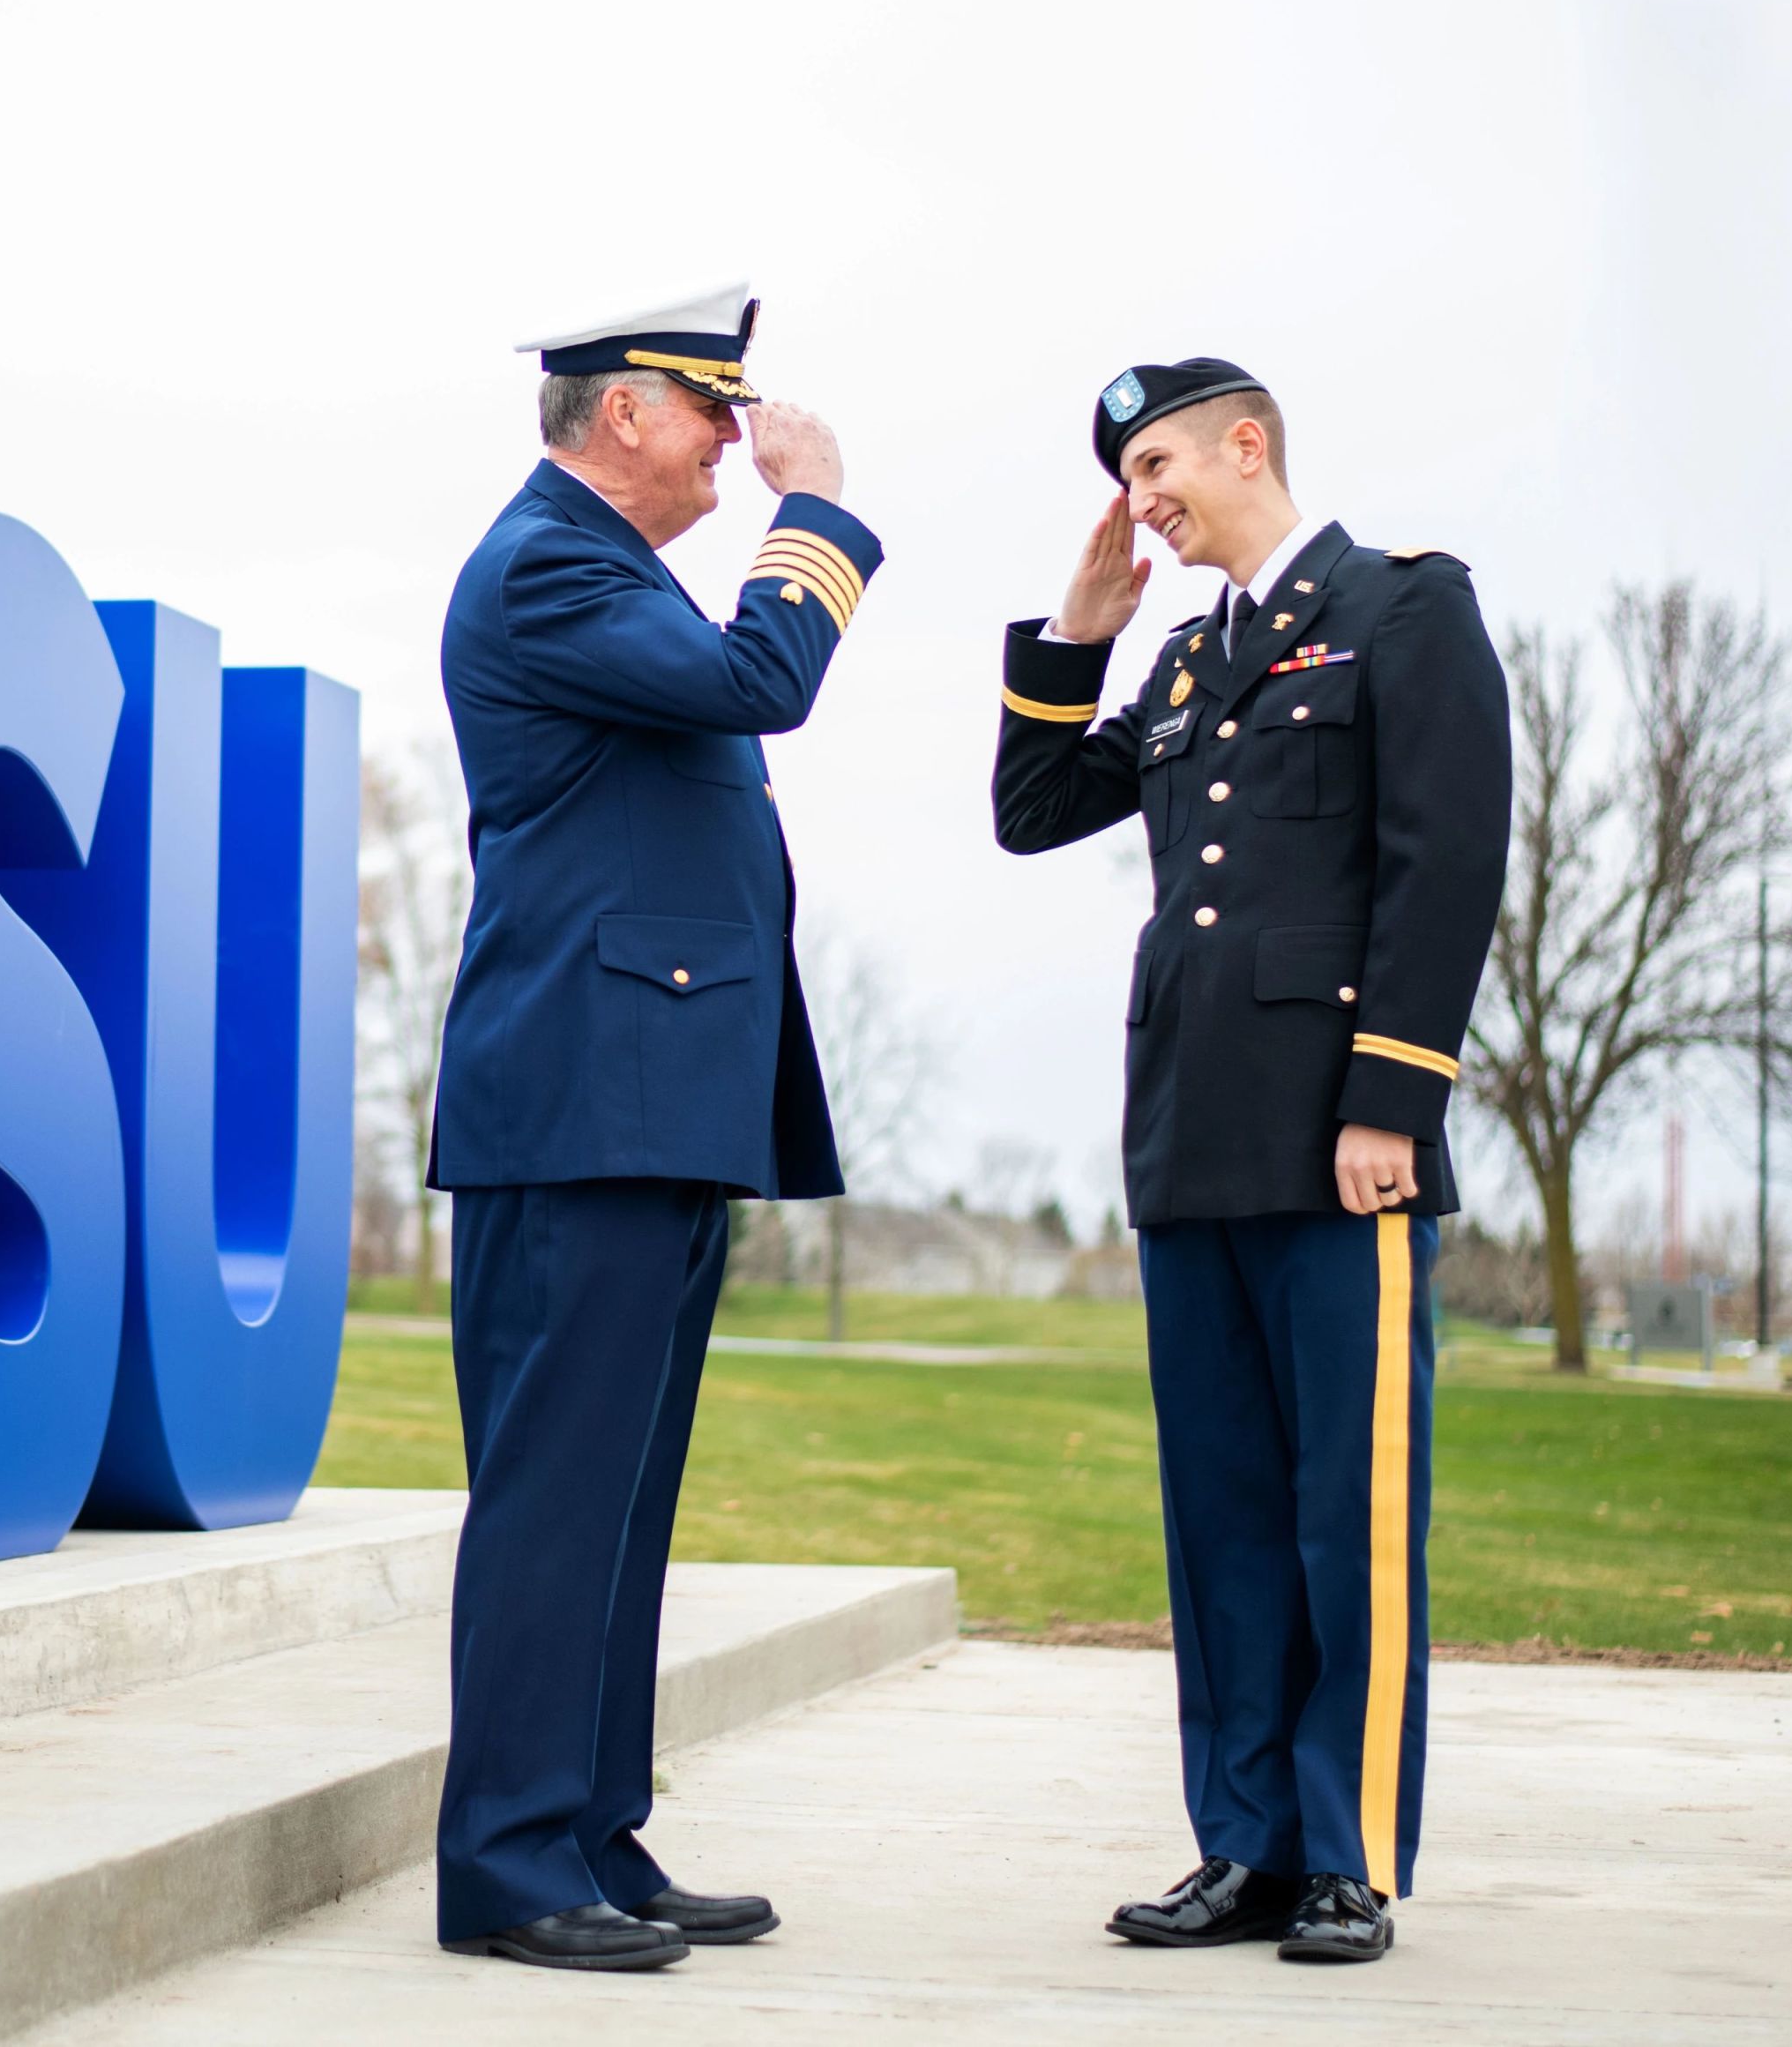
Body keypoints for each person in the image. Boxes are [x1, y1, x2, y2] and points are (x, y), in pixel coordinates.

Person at [991, 357, 1510, 1965]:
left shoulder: (1403, 608)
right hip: (1191, 1131)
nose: (1141, 494)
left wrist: (1392, 1101)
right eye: (1125, 472)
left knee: (1341, 1514)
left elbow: (1447, 859)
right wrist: (1078, 636)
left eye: (1157, 461)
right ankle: (1245, 1845)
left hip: (1333, 1142)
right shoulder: (1188, 654)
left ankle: (1346, 1852)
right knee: (1218, 1513)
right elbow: (1033, 807)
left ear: (1247, 443)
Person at [429, 285, 878, 1972]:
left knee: (622, 1496)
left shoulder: (610, 576)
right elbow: (766, 677)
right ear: (626, 411)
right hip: (582, 1110)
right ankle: (505, 1862)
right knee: (558, 1496)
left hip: (654, 1100)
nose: (731, 438)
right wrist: (819, 510)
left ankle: (592, 1828)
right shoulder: (550, 564)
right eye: (712, 405)